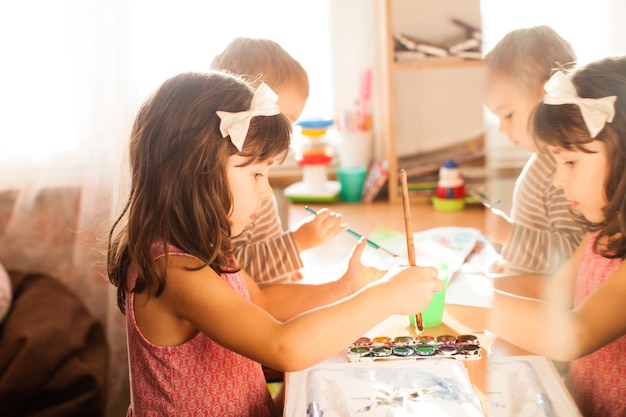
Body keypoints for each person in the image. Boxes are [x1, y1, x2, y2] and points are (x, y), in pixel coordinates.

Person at [107, 71, 442, 417]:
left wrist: (347, 286)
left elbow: (263, 301)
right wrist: (387, 296)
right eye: (255, 174)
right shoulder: (174, 272)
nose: (266, 193)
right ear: (194, 172)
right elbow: (284, 345)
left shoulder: (206, 249)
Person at [488, 56, 626, 416]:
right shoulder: (602, 234)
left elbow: (574, 334)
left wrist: (474, 303)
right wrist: (456, 285)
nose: (557, 179)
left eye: (570, 162)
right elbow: (554, 291)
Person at [211, 37, 342, 285]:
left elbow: (259, 251)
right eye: (285, 121)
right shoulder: (234, 193)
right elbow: (234, 270)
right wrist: (298, 243)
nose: (287, 135)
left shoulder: (253, 178)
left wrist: (283, 266)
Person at [483, 26, 587, 275]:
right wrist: (514, 263)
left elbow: (574, 253)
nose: (502, 129)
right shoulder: (545, 159)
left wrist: (506, 233)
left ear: (547, 95)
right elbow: (541, 237)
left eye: (508, 114)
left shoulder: (563, 169)